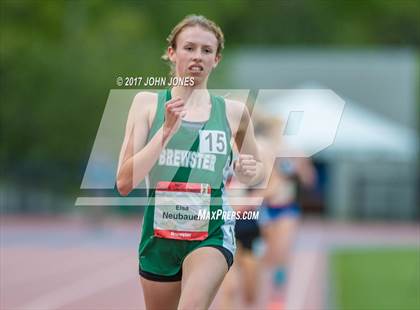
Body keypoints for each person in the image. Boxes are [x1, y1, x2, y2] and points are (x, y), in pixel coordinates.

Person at [116, 15, 264, 310]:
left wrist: (248, 170)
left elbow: (256, 173)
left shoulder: (233, 113)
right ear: (172, 53)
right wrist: (166, 132)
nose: (198, 56)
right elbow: (124, 183)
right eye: (189, 48)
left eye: (206, 50)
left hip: (211, 232)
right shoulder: (147, 104)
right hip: (159, 235)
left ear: (216, 59)